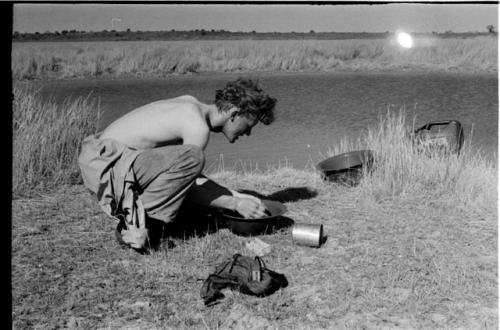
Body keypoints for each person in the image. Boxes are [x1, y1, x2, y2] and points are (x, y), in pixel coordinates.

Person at [78, 78, 277, 251]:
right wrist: (235, 203)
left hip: (100, 159)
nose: (248, 133)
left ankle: (143, 215)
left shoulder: (191, 103)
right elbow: (189, 177)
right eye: (249, 126)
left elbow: (186, 177)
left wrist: (238, 195)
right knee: (193, 157)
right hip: (107, 166)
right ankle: (133, 227)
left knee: (194, 186)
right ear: (235, 113)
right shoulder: (197, 126)